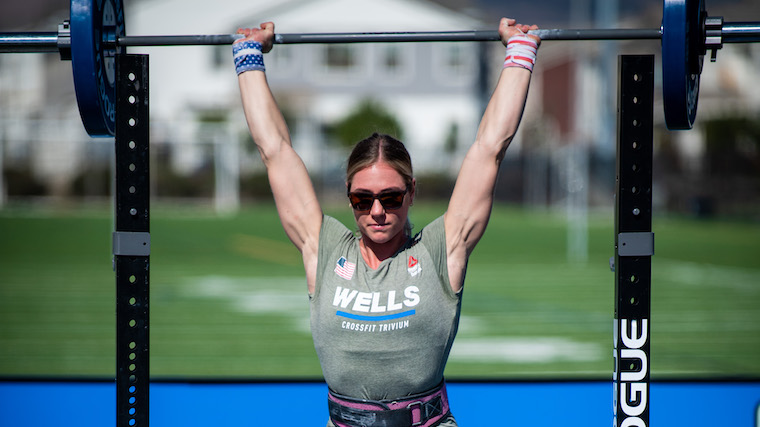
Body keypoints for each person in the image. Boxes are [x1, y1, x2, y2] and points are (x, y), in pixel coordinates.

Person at [234, 17, 540, 427]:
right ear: (349, 198)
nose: (377, 211)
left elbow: (489, 150)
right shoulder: (322, 247)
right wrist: (249, 56)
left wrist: (519, 53)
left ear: (411, 193)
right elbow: (275, 150)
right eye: (362, 199)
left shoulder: (441, 249)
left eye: (391, 197)